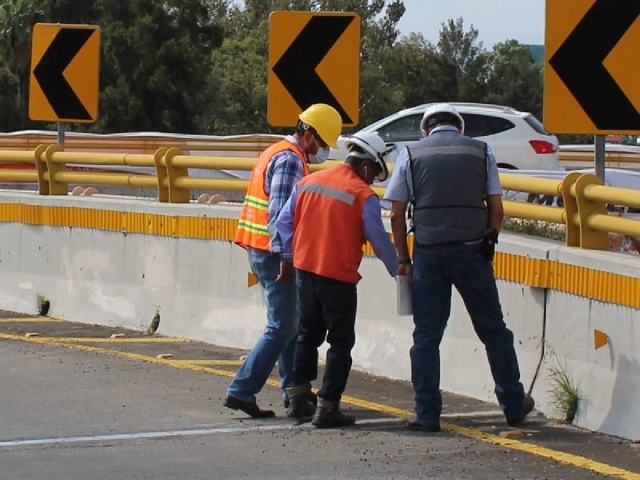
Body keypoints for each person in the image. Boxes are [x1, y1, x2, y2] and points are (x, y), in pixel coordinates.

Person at [383, 103, 535, 432]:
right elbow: (496, 208)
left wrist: (403, 259)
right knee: (494, 331)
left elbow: (396, 214)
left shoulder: (410, 154)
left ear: (426, 129)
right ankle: (512, 403)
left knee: (426, 337)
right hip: (472, 253)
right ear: (460, 128)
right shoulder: (482, 152)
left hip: (428, 255)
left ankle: (427, 414)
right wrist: (489, 240)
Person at [224, 103, 343, 418]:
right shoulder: (290, 161)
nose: (324, 150)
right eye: (322, 142)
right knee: (282, 326)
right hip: (274, 252)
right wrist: (288, 259)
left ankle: (296, 392)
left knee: (289, 324)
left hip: (262, 249)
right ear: (307, 135)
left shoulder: (277, 152)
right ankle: (242, 390)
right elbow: (279, 216)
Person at [276, 132, 399, 428]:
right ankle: (328, 406)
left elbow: (283, 222)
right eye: (375, 174)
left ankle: (297, 398)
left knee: (307, 333)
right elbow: (378, 239)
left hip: (305, 271)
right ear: (367, 166)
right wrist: (400, 268)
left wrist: (292, 257)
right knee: (341, 342)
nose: (373, 182)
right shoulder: (361, 194)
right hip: (338, 277)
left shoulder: (309, 181)